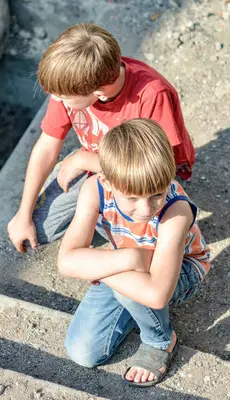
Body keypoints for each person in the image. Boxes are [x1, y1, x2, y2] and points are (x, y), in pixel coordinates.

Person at [7, 23, 195, 253]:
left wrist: (82, 160)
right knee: (36, 230)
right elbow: (47, 145)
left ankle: (111, 223)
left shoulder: (152, 95)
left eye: (63, 97)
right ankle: (101, 214)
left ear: (99, 92)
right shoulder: (74, 81)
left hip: (144, 176)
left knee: (140, 225)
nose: (56, 100)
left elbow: (155, 167)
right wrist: (23, 214)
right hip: (98, 162)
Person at [57, 119, 210, 386]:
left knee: (132, 287)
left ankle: (160, 340)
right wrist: (130, 259)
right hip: (130, 264)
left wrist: (99, 268)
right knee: (82, 352)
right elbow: (66, 261)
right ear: (106, 181)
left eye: (156, 194)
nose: (145, 208)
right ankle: (123, 282)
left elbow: (158, 294)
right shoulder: (95, 190)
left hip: (180, 272)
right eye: (132, 197)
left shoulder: (175, 212)